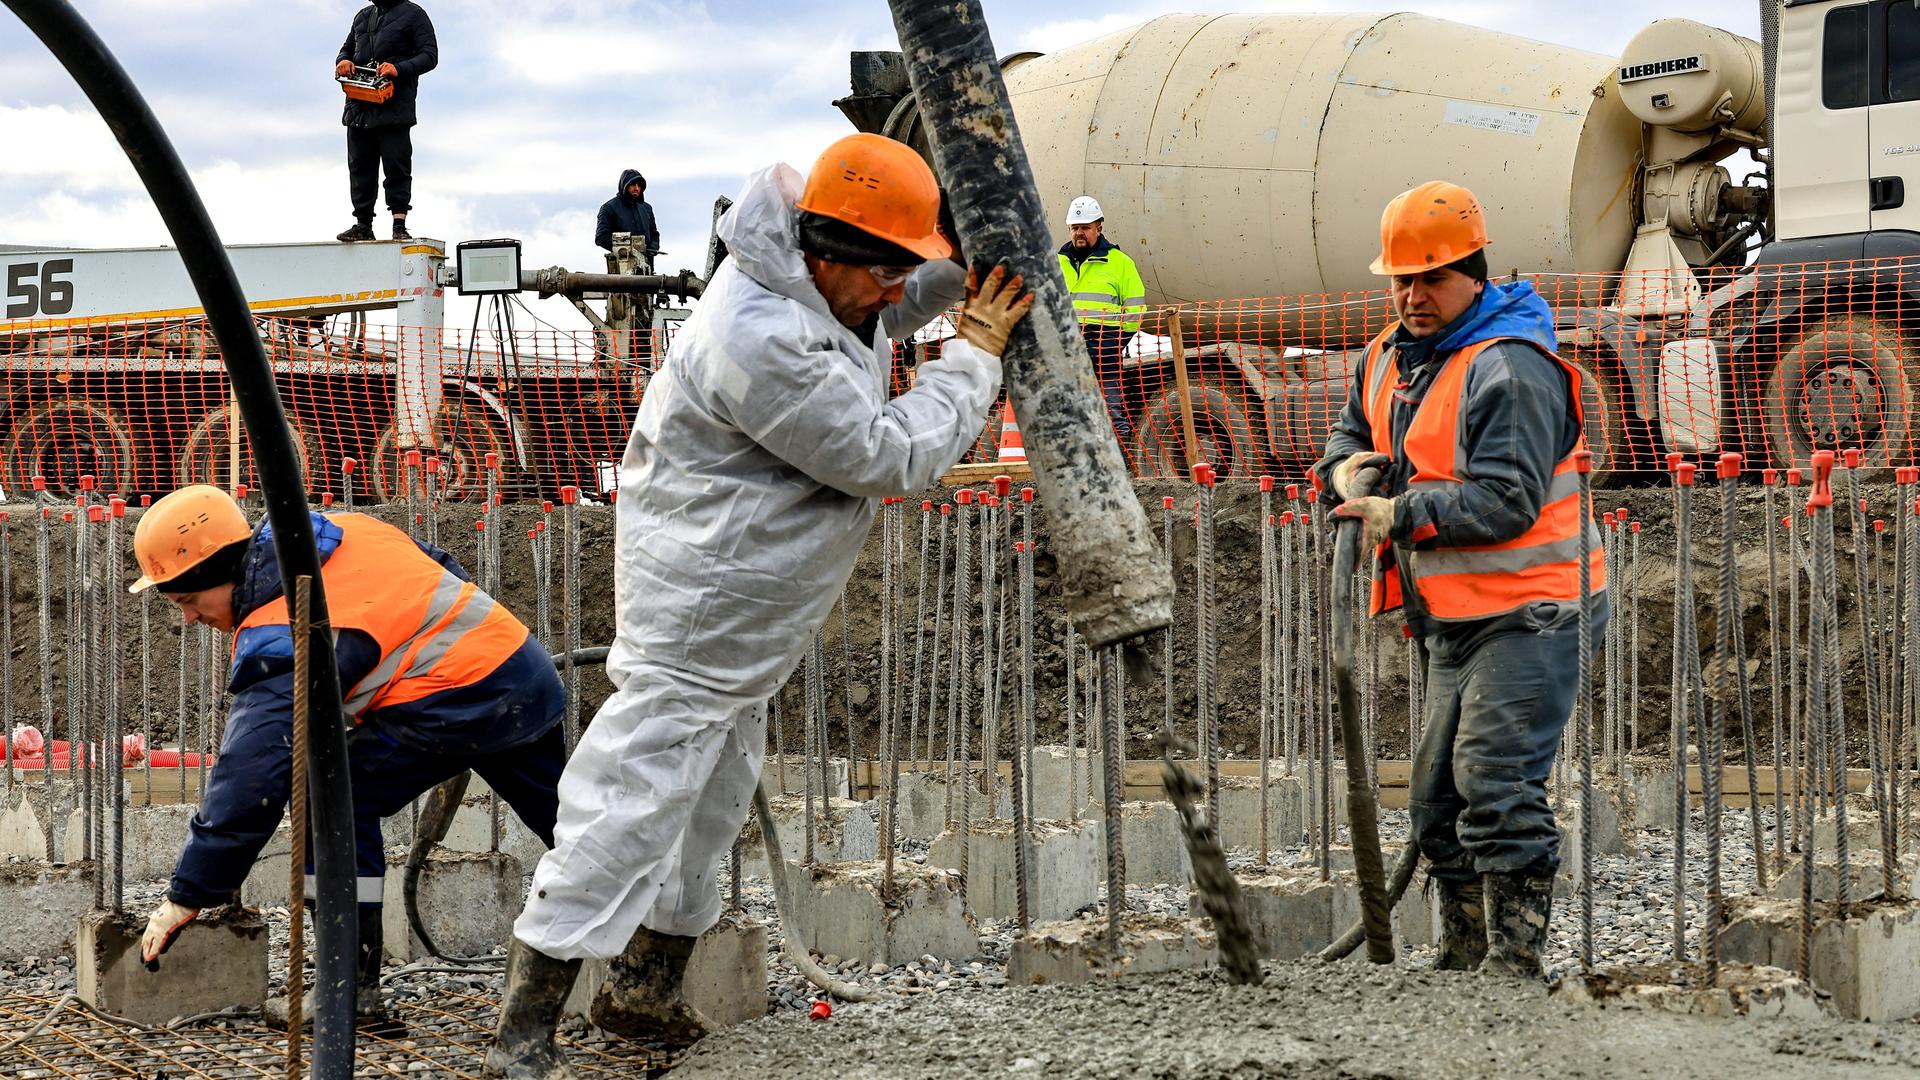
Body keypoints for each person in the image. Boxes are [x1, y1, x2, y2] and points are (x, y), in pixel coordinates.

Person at [485, 133, 1030, 1077]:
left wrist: (959, 278)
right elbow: (888, 455)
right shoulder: (759, 335)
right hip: (704, 602)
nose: (896, 295)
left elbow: (886, 309)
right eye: (886, 273)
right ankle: (522, 1031)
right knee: (631, 799)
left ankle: (645, 991)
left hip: (747, 618)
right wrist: (974, 357)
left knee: (708, 805)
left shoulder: (820, 276)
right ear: (828, 253)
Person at [1313, 180, 1606, 979]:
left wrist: (1399, 514)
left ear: (1475, 273)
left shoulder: (1510, 368)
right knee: (1437, 800)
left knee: (1494, 782)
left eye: (1431, 279)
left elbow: (1507, 499)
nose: (1412, 296)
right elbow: (1347, 439)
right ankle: (1462, 958)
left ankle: (1513, 970)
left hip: (1535, 609)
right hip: (1453, 611)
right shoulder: (1388, 357)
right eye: (1401, 280)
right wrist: (1345, 475)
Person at [134, 485, 566, 1015]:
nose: (191, 619)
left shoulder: (278, 634)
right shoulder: (343, 531)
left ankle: (348, 992)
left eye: (190, 601)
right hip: (523, 674)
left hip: (459, 701)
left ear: (219, 574)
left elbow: (251, 779)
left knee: (332, 796)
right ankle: (651, 950)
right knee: (577, 831)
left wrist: (188, 893)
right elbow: (439, 570)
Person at [334, 0, 438, 242]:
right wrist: (343, 61)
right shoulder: (362, 16)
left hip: (395, 107)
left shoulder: (415, 14)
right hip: (359, 105)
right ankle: (362, 225)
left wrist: (398, 69)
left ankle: (399, 226)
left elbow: (430, 56)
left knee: (397, 167)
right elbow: (346, 49)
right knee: (360, 167)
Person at [1056, 195, 1146, 447]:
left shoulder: (1120, 263)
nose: (1080, 233)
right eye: (1075, 228)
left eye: (1085, 227)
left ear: (1099, 227)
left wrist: (1115, 341)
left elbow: (1135, 309)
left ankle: (1123, 462)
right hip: (1067, 350)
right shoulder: (1055, 263)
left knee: (1110, 409)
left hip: (1104, 347)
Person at [595, 169, 661, 261]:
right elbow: (601, 237)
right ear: (625, 185)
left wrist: (653, 248)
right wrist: (625, 248)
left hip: (646, 269)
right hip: (620, 269)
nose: (636, 188)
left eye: (639, 185)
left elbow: (654, 234)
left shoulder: (647, 209)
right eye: (633, 184)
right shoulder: (608, 208)